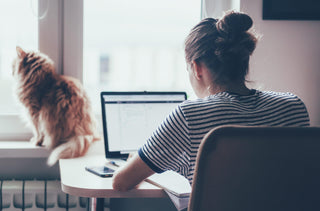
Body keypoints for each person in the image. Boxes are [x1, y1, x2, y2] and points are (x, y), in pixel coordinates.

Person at [112, 11, 310, 191]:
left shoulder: (189, 115)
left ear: (196, 68)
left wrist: (139, 161)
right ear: (244, 61)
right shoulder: (293, 106)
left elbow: (121, 182)